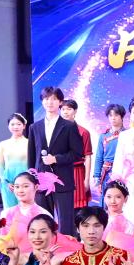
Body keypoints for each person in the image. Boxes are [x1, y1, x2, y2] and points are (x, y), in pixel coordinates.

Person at [27, 86, 84, 235]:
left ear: (60, 102)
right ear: (42, 101)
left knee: (66, 223)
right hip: (41, 182)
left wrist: (56, 159)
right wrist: (32, 180)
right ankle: (45, 248)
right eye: (46, 99)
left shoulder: (69, 126)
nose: (50, 102)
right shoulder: (34, 127)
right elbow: (31, 157)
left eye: (53, 99)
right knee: (43, 221)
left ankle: (67, 248)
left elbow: (78, 154)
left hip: (62, 181)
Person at [0, 172, 52, 253]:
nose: (20, 190)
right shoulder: (6, 213)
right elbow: (2, 242)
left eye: (25, 186)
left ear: (36, 187)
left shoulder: (43, 214)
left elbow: (51, 243)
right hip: (11, 257)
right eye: (17, 187)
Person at [60, 99, 93, 209]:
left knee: (79, 210)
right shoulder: (55, 132)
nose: (65, 112)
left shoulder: (83, 132)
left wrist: (86, 180)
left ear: (75, 111)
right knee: (62, 208)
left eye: (69, 109)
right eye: (63, 109)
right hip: (61, 172)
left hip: (77, 173)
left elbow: (88, 156)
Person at [0, 113, 29, 210]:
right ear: (8, 126)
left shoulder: (29, 143)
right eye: (12, 124)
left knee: (26, 209)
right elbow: (0, 164)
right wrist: (5, 181)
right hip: (8, 183)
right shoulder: (3, 144)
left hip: (25, 182)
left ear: (24, 126)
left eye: (19, 124)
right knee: (10, 211)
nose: (15, 127)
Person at [93, 104, 125, 199]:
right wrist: (97, 176)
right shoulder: (103, 136)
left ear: (122, 116)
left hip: (123, 172)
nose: (113, 118)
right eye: (110, 115)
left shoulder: (128, 135)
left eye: (116, 115)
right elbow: (99, 157)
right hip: (107, 173)